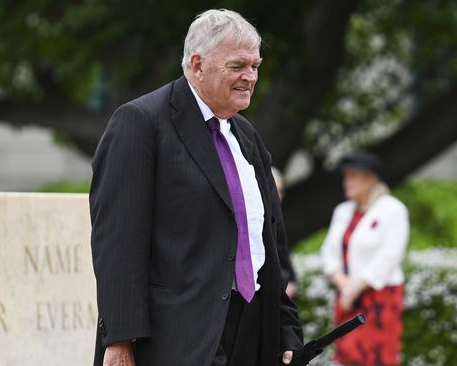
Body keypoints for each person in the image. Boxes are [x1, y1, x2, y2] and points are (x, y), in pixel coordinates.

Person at [89, 9, 303, 366]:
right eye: (238, 66)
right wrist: (120, 340)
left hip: (252, 334)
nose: (250, 77)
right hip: (175, 338)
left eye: (255, 66)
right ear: (198, 64)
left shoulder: (247, 136)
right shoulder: (141, 123)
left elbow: (270, 245)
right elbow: (118, 242)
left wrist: (286, 331)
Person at [319, 151, 409, 366]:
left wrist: (356, 288)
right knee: (346, 355)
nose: (346, 182)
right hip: (347, 297)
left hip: (379, 297)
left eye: (353, 176)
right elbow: (329, 251)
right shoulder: (342, 211)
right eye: (346, 176)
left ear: (370, 179)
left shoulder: (392, 210)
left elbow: (390, 255)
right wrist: (343, 283)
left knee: (376, 358)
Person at [271, 166, 298, 299]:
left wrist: (292, 284)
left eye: (280, 191)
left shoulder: (278, 223)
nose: (277, 196)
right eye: (273, 190)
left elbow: (287, 266)